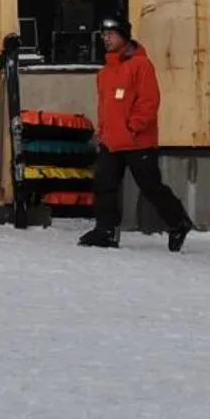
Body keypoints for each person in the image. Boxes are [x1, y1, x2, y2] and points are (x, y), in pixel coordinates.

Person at [79, 16, 194, 251]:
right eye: (103, 34)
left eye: (111, 34)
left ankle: (178, 222)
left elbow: (149, 101)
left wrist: (133, 127)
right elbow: (105, 107)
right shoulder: (104, 73)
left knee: (151, 187)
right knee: (104, 185)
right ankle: (106, 230)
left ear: (124, 36)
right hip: (111, 141)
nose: (106, 38)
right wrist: (103, 132)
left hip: (137, 142)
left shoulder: (141, 65)